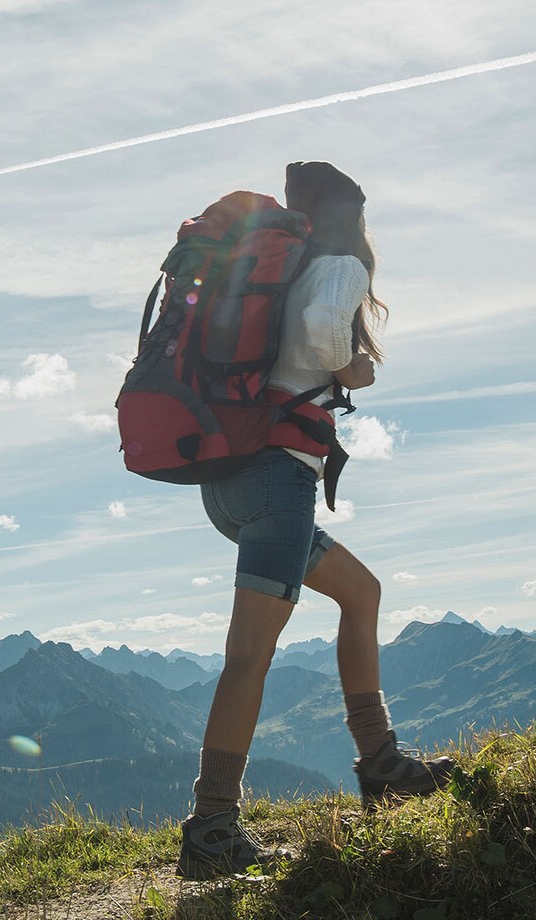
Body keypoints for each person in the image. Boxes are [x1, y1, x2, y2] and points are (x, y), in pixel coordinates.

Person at [177, 161, 454, 881]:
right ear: (352, 216)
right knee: (250, 656)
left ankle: (381, 763)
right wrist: (352, 368)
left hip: (231, 481)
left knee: (361, 593)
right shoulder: (339, 265)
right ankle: (212, 825)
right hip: (279, 481)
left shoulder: (278, 265)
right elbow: (324, 331)